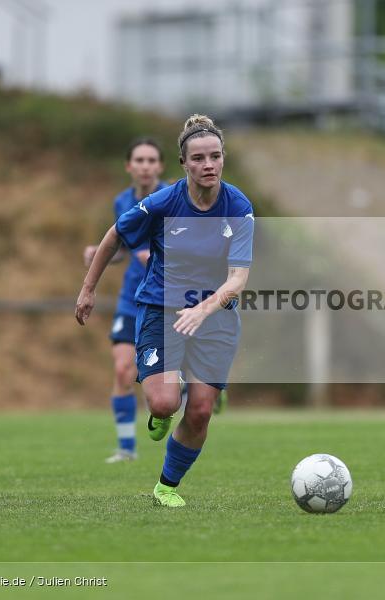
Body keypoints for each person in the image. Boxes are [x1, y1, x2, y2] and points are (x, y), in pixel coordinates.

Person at [76, 115, 254, 507]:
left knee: (202, 411)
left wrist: (203, 310)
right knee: (164, 403)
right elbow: (114, 236)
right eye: (199, 158)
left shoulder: (238, 207)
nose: (208, 164)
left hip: (216, 315)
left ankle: (166, 487)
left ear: (224, 159)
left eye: (215, 156)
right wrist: (88, 289)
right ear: (184, 164)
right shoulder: (164, 202)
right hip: (160, 307)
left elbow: (237, 279)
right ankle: (159, 413)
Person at [84, 138, 167, 464]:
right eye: (139, 160)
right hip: (133, 296)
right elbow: (124, 248)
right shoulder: (122, 202)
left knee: (172, 378)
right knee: (122, 370)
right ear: (129, 166)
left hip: (169, 296)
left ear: (160, 166)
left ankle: (205, 388)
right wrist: (98, 255)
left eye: (151, 160)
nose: (145, 165)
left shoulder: (176, 196)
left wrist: (162, 258)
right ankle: (127, 448)